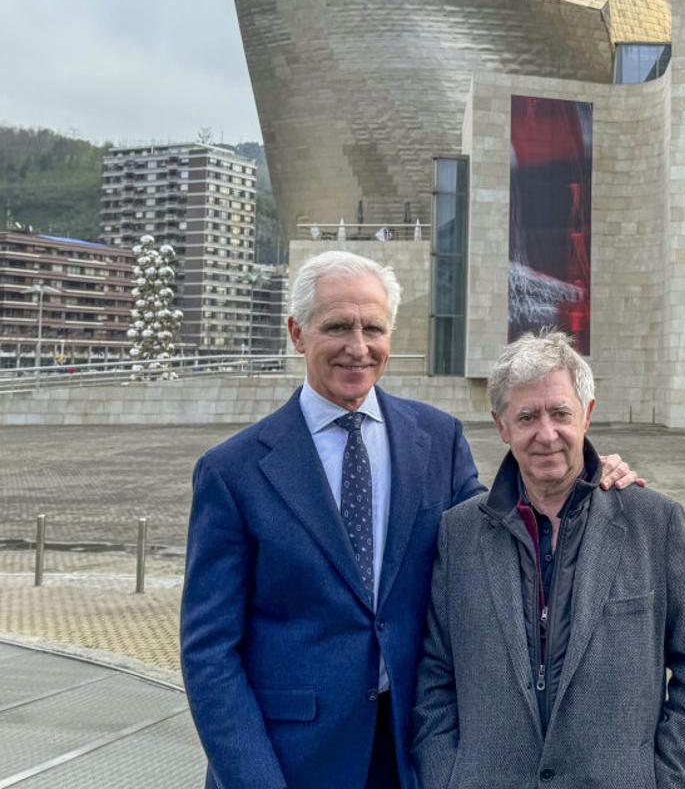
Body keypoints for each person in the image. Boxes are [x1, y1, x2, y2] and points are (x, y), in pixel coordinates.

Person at [180, 252, 638, 789]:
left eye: (372, 327)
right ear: (297, 333)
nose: (358, 346)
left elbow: (498, 533)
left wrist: (589, 472)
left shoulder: (437, 441)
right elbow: (209, 652)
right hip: (291, 762)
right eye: (337, 327)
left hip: (412, 755)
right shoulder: (232, 472)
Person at [412, 331, 685, 789]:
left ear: (587, 415)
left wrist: (671, 782)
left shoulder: (654, 524)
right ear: (502, 426)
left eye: (560, 413)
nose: (547, 434)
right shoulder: (459, 534)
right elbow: (434, 678)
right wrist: (445, 777)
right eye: (527, 417)